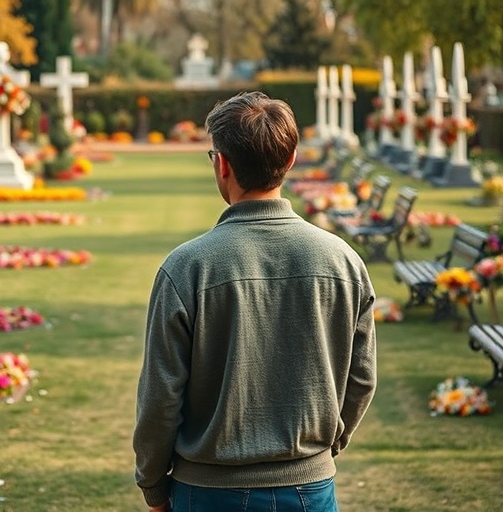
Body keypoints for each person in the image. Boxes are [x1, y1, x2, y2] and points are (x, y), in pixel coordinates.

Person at [133, 91, 377, 512]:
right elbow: (361, 378)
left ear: (222, 164)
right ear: (292, 158)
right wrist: (321, 447)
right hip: (310, 487)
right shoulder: (343, 262)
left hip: (205, 492)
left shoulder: (186, 267)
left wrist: (153, 486)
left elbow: (160, 397)